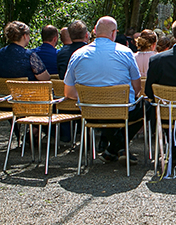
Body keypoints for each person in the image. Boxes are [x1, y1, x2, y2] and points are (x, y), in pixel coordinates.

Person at [63, 16, 147, 164]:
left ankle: (112, 150)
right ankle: (118, 147)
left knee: (105, 112)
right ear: (114, 33)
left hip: (90, 111)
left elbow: (68, 92)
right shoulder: (126, 53)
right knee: (147, 108)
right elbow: (137, 88)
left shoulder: (77, 55)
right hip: (121, 109)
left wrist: (91, 97)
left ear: (94, 31)